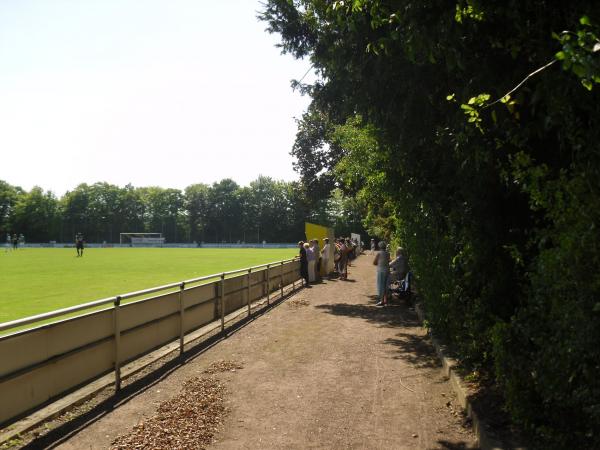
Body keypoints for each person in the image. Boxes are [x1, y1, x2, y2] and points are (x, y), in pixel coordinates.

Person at [373, 241, 390, 307]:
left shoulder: (379, 253)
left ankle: (381, 300)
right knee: (386, 285)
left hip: (381, 271)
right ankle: (385, 301)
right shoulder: (388, 253)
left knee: (380, 286)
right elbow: (388, 261)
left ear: (379, 246)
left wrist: (379, 263)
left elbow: (374, 262)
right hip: (387, 270)